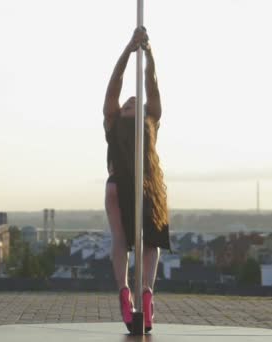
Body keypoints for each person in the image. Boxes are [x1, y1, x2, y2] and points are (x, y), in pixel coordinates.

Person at [103, 27, 171, 333]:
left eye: (133, 102)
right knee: (150, 243)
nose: (129, 102)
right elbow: (150, 85)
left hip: (116, 186)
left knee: (120, 240)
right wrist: (144, 52)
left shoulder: (114, 120)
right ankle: (147, 291)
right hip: (146, 187)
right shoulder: (150, 121)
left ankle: (124, 289)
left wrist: (131, 51)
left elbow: (115, 88)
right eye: (129, 102)